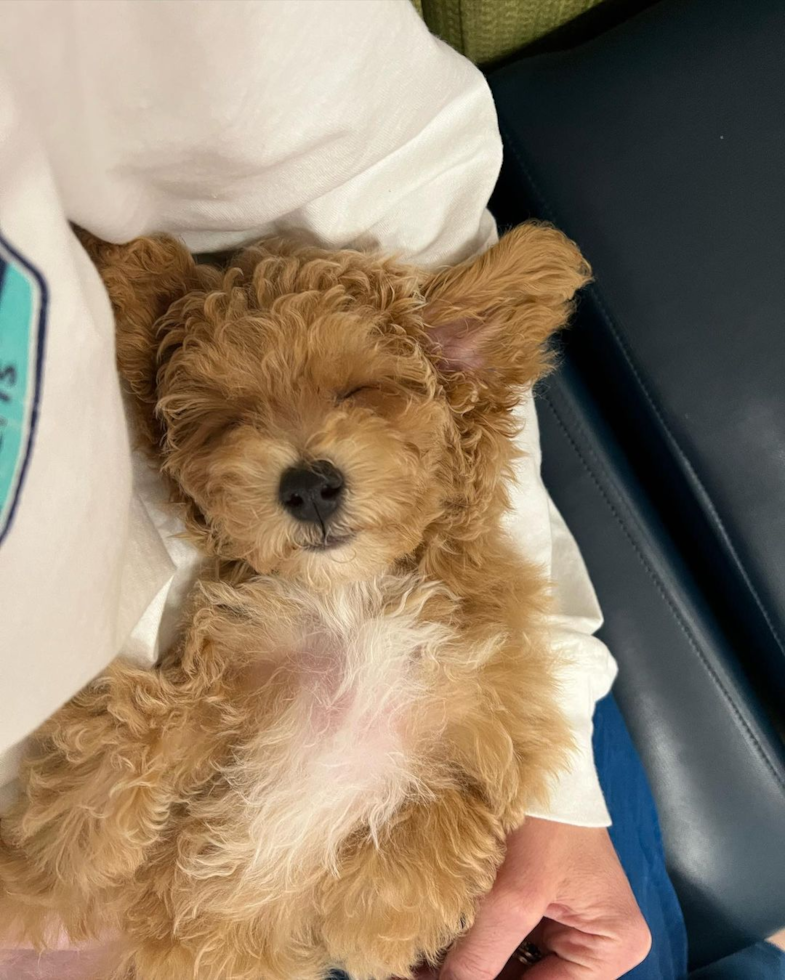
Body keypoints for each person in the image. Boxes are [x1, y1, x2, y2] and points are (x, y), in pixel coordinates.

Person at [0, 2, 685, 977]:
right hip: (151, 866)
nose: (305, 461)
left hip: (463, 754)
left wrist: (556, 788)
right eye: (232, 417)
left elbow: (404, 203)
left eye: (355, 395)